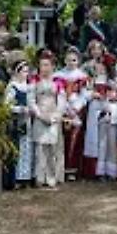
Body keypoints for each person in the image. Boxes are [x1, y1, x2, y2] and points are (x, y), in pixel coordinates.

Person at [28, 52, 66, 188]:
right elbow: (31, 100)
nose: (44, 68)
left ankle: (52, 176)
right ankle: (39, 176)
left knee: (53, 148)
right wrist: (39, 114)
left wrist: (56, 116)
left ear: (52, 66)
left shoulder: (58, 81)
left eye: (46, 65)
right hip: (40, 115)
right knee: (40, 148)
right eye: (41, 65)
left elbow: (62, 101)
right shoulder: (34, 80)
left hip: (54, 116)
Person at [56, 48, 89, 179]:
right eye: (69, 60)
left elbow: (85, 94)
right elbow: (58, 93)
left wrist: (76, 106)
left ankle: (73, 169)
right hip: (63, 109)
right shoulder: (58, 76)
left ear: (78, 61)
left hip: (77, 109)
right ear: (64, 60)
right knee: (63, 138)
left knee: (76, 139)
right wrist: (65, 107)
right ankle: (61, 168)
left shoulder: (82, 76)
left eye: (74, 60)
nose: (71, 63)